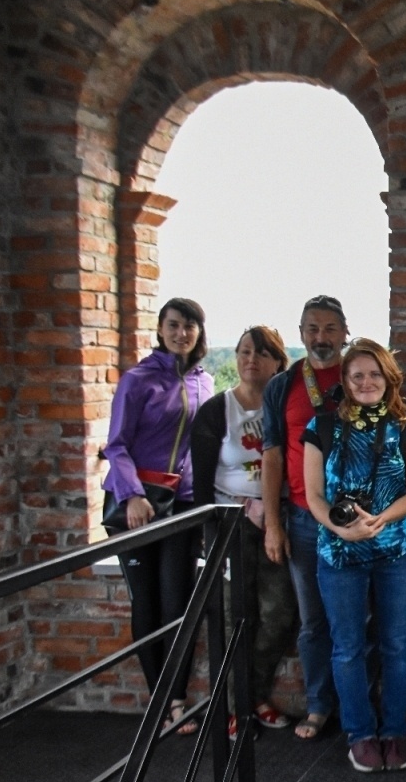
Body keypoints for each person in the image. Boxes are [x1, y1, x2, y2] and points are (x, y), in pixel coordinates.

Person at [302, 339, 406, 773]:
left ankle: (394, 731)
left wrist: (380, 519)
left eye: (375, 374)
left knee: (396, 645)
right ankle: (359, 734)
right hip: (338, 552)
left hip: (398, 550)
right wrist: (340, 527)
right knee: (348, 648)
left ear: (389, 379)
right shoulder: (320, 427)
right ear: (345, 380)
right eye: (357, 375)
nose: (366, 382)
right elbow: (313, 495)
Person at [102, 297, 215, 734]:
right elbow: (116, 445)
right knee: (146, 601)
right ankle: (161, 701)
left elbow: (201, 446)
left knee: (178, 602)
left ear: (199, 332)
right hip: (136, 503)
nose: (181, 333)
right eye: (173, 324)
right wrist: (132, 495)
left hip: (181, 505)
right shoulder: (137, 380)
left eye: (189, 326)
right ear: (161, 329)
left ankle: (178, 697)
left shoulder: (205, 382)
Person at [191, 325, 296, 736]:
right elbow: (201, 484)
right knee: (236, 617)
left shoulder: (285, 409)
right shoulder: (217, 410)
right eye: (245, 351)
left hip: (278, 522)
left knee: (279, 614)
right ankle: (238, 709)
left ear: (278, 362)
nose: (252, 360)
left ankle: (253, 696)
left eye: (263, 353)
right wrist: (208, 538)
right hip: (230, 524)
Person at [261, 295, 351, 741]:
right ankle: (318, 706)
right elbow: (273, 456)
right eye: (312, 328)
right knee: (313, 621)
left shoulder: (362, 375)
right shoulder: (283, 385)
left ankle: (356, 705)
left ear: (345, 333)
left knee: (359, 619)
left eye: (330, 328)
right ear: (300, 334)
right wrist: (273, 524)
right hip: (303, 519)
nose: (321, 337)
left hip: (358, 520)